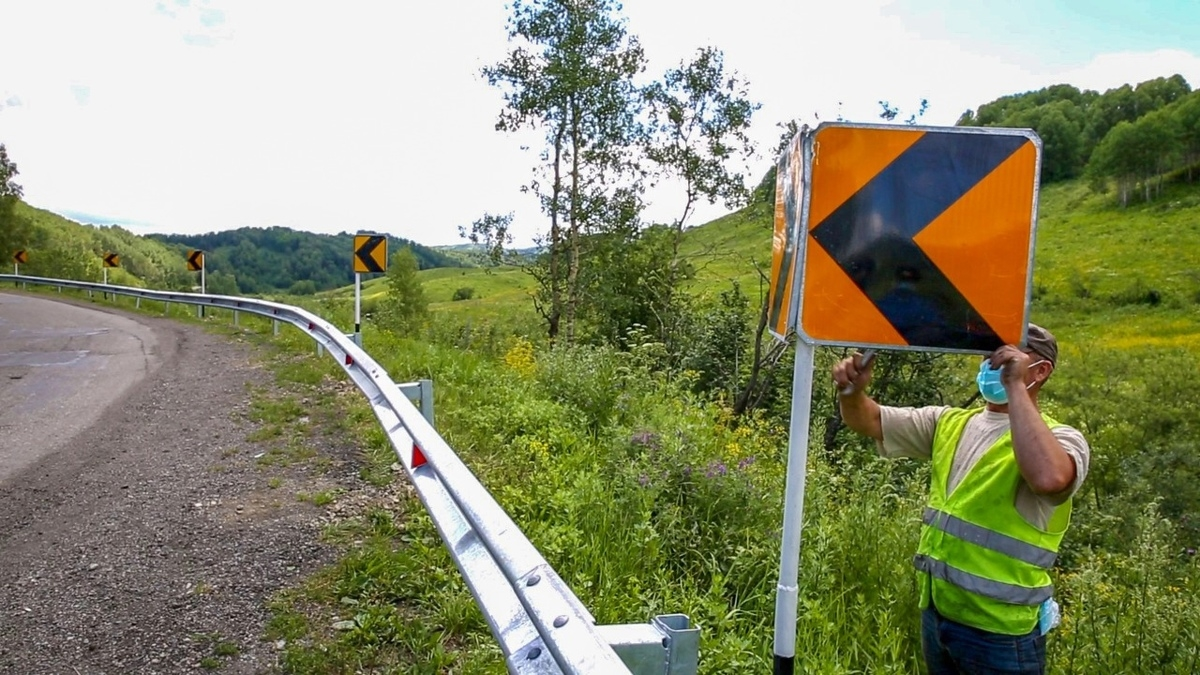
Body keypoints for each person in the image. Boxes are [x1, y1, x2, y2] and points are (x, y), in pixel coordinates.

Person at [831, 324, 1090, 675]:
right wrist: (851, 393)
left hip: (1001, 633)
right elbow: (871, 420)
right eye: (988, 355)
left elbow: (1049, 479)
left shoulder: (1061, 438)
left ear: (1040, 371)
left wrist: (1015, 387)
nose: (991, 364)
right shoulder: (950, 422)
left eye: (1005, 357)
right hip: (938, 616)